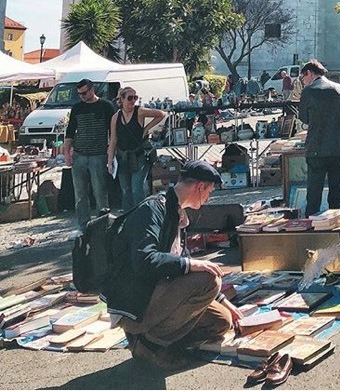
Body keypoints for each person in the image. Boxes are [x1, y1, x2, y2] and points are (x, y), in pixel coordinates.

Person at [102, 159, 242, 370]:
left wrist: (224, 301)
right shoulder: (152, 209)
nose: (208, 198)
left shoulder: (175, 211)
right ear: (199, 187)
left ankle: (165, 342)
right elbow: (144, 260)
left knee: (221, 321)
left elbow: (178, 258)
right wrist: (190, 264)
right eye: (209, 192)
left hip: (156, 295)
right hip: (135, 303)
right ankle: (148, 345)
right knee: (207, 279)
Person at [298, 59, 340, 217]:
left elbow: (304, 118)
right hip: (339, 149)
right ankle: (337, 227)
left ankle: (313, 229)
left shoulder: (309, 91)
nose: (303, 82)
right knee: (336, 195)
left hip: (316, 149)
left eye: (302, 78)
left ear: (309, 73)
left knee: (314, 195)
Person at [63, 79, 115, 233]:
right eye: (79, 94)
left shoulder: (106, 106)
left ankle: (102, 226)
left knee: (100, 191)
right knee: (80, 193)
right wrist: (67, 153)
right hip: (79, 154)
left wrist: (111, 154)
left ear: (93, 90)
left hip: (98, 155)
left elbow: (113, 132)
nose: (82, 96)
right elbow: (70, 131)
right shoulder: (77, 108)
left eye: (84, 93)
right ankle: (83, 226)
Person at [107, 87, 169, 212]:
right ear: (122, 100)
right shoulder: (115, 117)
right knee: (126, 191)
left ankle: (141, 216)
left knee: (137, 189)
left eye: (135, 97)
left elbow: (161, 114)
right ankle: (128, 218)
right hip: (122, 157)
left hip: (138, 156)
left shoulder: (139, 111)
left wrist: (146, 128)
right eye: (130, 98)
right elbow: (113, 140)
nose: (133, 101)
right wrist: (109, 161)